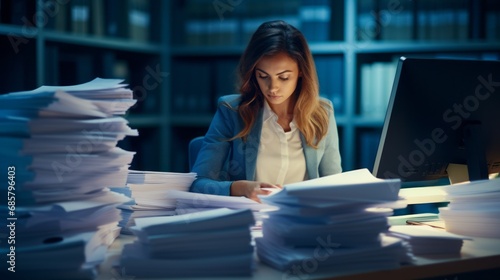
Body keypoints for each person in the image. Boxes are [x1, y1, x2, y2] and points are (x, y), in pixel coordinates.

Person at [190, 20, 342, 202]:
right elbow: (197, 185)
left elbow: (334, 184)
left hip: (305, 222)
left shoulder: (322, 113)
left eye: (284, 77)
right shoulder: (232, 111)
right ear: (253, 72)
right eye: (263, 76)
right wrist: (239, 188)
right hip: (250, 221)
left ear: (301, 71)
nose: (273, 88)